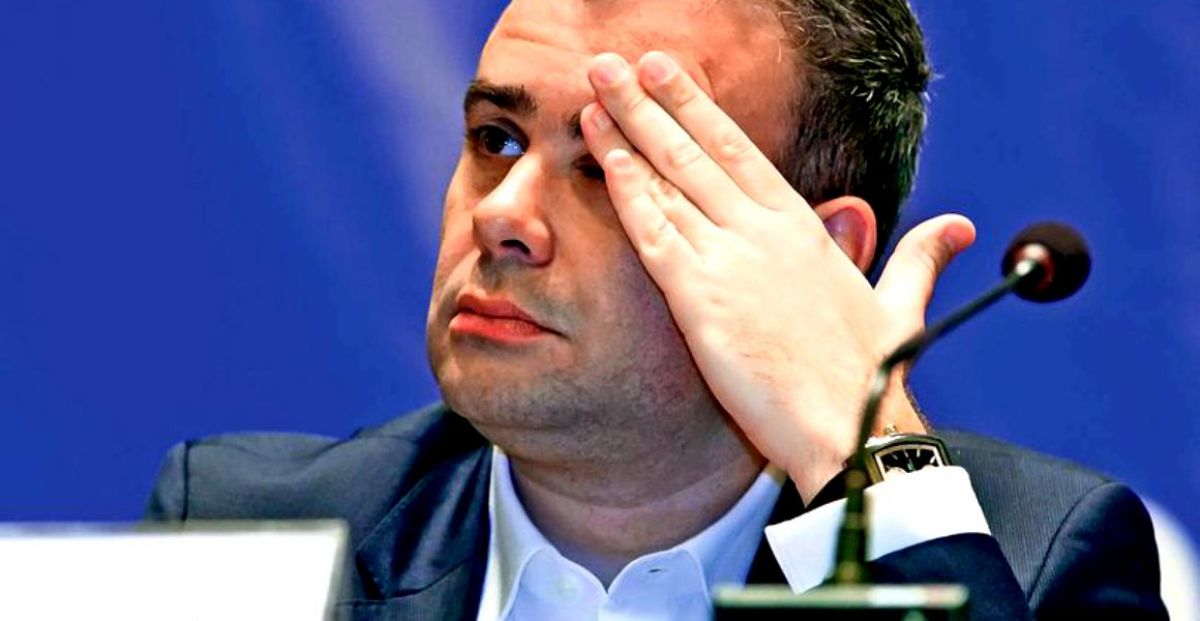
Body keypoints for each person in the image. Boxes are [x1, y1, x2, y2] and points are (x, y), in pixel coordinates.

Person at [146, 0, 1168, 619]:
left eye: (612, 165)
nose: (502, 216)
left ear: (819, 258)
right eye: (496, 139)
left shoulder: (1035, 567)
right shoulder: (245, 533)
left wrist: (870, 467)